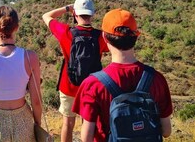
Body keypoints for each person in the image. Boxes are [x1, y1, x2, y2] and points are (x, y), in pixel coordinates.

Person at [72, 8, 173, 142]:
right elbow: (166, 131)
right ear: (137, 36)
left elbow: (86, 138)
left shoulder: (93, 84)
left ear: (104, 37)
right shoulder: (157, 79)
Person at [42, 0, 108, 142]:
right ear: (92, 14)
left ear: (75, 14)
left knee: (68, 123)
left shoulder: (66, 32)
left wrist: (67, 8)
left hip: (68, 85)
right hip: (91, 86)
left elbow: (46, 16)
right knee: (88, 123)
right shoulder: (100, 36)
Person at [0, 5, 42, 142]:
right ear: (16, 27)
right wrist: (37, 125)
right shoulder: (31, 57)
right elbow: (36, 101)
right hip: (23, 123)